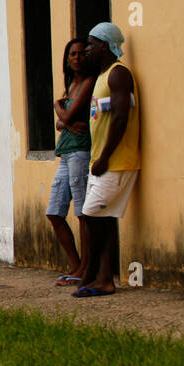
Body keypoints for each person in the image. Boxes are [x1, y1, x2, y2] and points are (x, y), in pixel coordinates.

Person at [73, 23, 139, 299]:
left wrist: (105, 157)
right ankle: (103, 279)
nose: (86, 49)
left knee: (90, 216)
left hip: (115, 162)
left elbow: (122, 117)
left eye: (91, 43)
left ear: (104, 45)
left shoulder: (118, 74)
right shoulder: (102, 77)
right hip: (103, 162)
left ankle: (94, 273)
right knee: (105, 218)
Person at [48, 38, 95, 285]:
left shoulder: (88, 83)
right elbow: (62, 122)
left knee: (82, 213)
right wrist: (64, 119)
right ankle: (76, 266)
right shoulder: (71, 84)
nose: (76, 58)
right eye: (72, 54)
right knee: (54, 212)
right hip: (65, 152)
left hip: (80, 151)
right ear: (67, 59)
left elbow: (68, 115)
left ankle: (86, 269)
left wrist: (58, 106)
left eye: (80, 53)